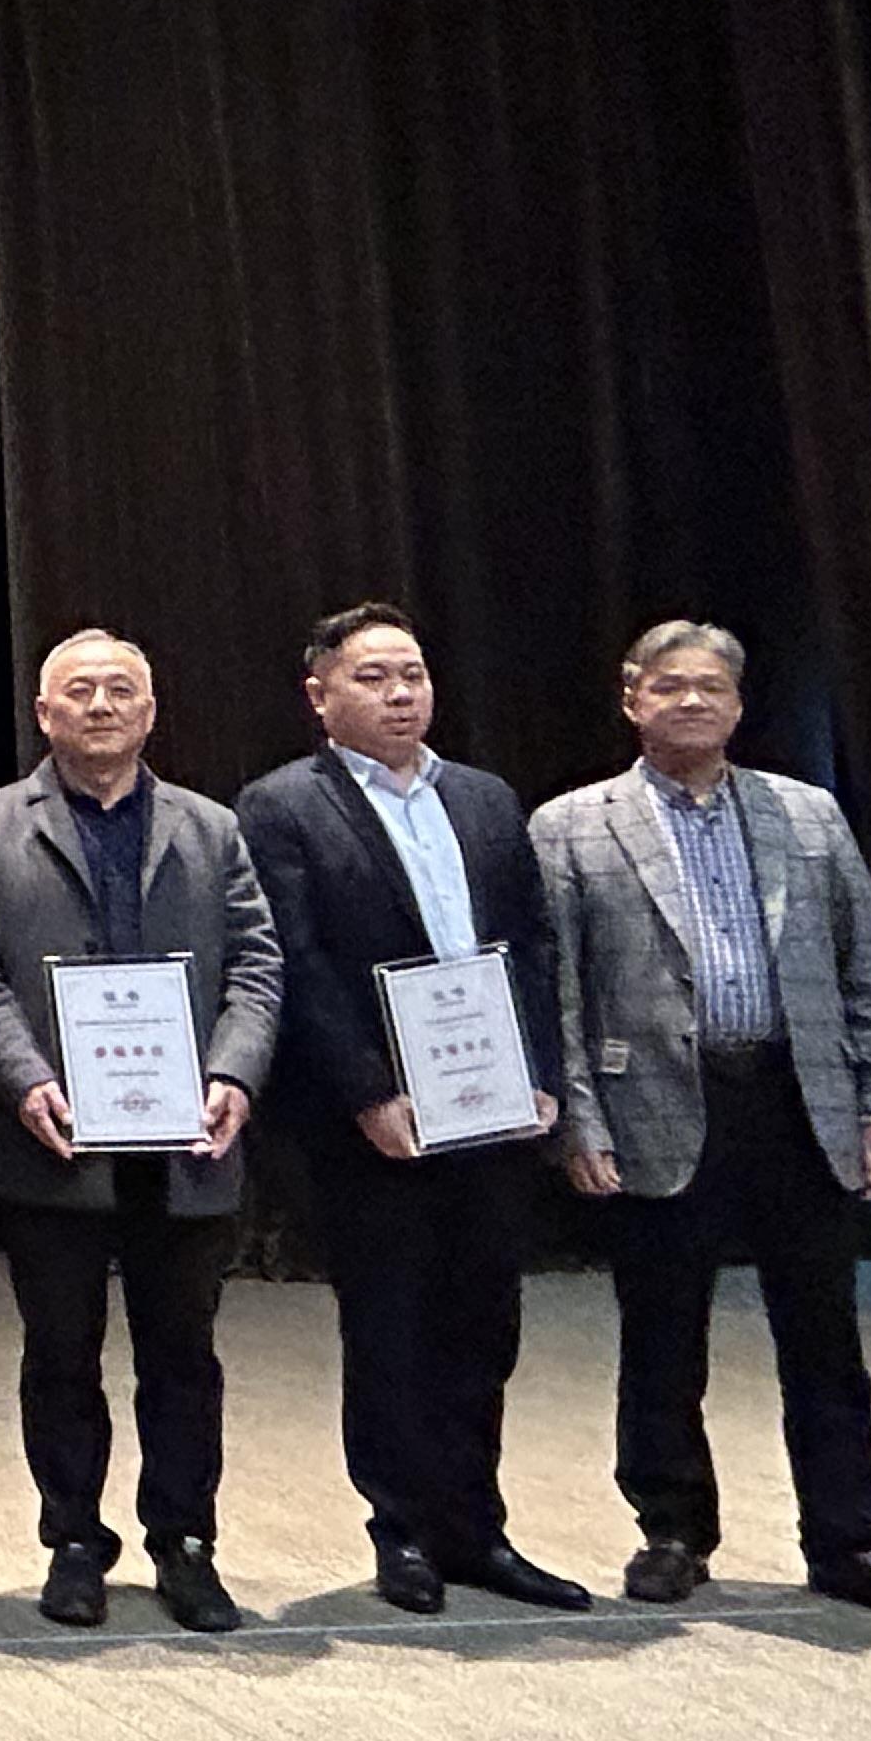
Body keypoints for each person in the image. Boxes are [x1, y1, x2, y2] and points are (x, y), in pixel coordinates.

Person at [530, 621, 871, 1628]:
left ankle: (850, 1541)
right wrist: (578, 1121)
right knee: (661, 1338)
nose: (692, 702)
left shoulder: (808, 814)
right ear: (631, 699)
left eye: (711, 687)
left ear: (739, 703)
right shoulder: (571, 826)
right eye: (669, 686)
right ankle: (673, 1531)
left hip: (799, 1103)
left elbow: (869, 970)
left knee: (825, 1339)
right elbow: (558, 992)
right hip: (653, 1106)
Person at [233, 604, 589, 1615]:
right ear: (320, 696)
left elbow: (533, 944)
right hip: (373, 1121)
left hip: (492, 1104)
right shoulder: (281, 806)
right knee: (388, 1326)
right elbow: (297, 962)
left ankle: (476, 1529)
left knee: (483, 1323)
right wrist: (366, 1094)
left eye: (414, 676)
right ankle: (401, 1532)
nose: (400, 695)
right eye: (374, 678)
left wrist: (540, 1073)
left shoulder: (483, 798)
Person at [0, 629, 281, 1634]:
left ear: (151, 710)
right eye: (80, 691)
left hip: (187, 1141)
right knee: (61, 1355)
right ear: (44, 713)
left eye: (121, 690)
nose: (101, 706)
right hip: (53, 1137)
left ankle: (185, 1541)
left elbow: (257, 964)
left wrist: (233, 1073)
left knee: (184, 1357)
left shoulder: (210, 827)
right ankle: (74, 1543)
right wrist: (24, 1081)